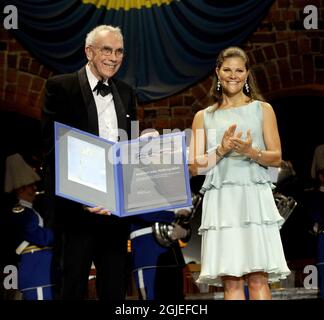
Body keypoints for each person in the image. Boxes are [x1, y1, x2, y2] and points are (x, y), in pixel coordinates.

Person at [41, 25, 137, 300]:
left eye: (119, 51)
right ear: (89, 52)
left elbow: (128, 151)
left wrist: (146, 140)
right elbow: (52, 148)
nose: (114, 57)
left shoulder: (127, 93)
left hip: (114, 214)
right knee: (70, 287)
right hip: (75, 212)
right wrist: (82, 195)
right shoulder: (60, 87)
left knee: (115, 289)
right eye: (107, 50)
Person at [188, 46, 290, 300]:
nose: (233, 75)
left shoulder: (262, 109)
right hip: (222, 202)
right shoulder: (203, 116)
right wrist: (221, 150)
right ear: (217, 73)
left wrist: (250, 151)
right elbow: (193, 166)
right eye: (227, 70)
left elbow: (276, 156)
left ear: (246, 75)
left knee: (257, 278)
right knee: (231, 281)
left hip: (254, 198)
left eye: (239, 70)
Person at [4, 153, 55, 300]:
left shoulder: (29, 211)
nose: (34, 188)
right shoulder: (20, 212)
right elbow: (38, 236)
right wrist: (59, 234)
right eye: (29, 185)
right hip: (36, 272)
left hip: (41, 273)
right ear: (20, 189)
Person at [129, 210, 190, 300]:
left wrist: (185, 232)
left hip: (173, 258)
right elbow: (144, 213)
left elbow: (186, 227)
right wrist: (177, 214)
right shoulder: (132, 196)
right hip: (148, 258)